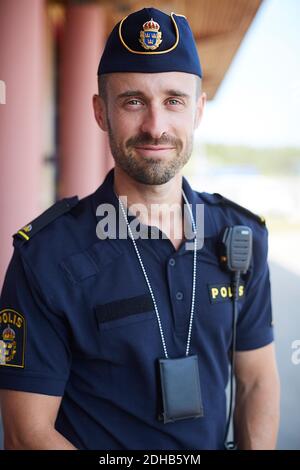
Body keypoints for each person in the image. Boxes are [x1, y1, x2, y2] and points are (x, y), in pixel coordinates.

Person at [0, 7, 279, 450]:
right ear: (100, 112)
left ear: (198, 110)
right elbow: (26, 432)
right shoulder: (46, 257)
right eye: (133, 100)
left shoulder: (241, 236)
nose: (155, 126)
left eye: (173, 100)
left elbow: (257, 380)